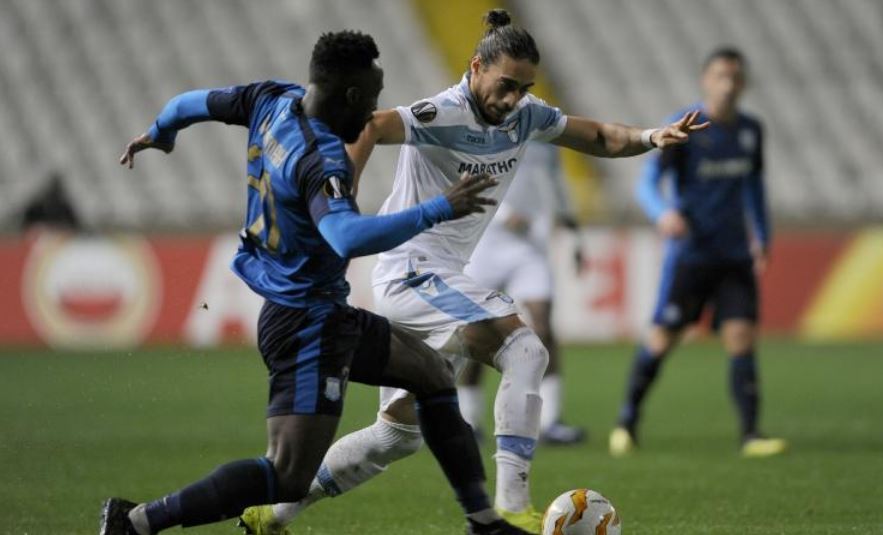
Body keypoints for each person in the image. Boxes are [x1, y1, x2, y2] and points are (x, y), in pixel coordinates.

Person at [244, 10, 707, 534]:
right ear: (476, 67)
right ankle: (511, 506)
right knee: (526, 351)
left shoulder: (526, 116)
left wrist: (651, 135)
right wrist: (341, 196)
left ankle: (273, 514)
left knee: (396, 436)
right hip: (413, 271)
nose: (512, 99)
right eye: (506, 85)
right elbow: (371, 123)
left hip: (433, 276)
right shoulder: (441, 112)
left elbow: (599, 135)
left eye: (523, 88)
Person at [99, 30, 532, 535]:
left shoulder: (270, 99)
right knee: (287, 475)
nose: (372, 113)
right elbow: (345, 237)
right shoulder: (322, 158)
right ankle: (137, 521)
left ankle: (484, 523)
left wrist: (162, 131)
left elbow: (189, 103)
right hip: (305, 325)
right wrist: (438, 208)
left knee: (434, 374)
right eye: (370, 99)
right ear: (350, 95)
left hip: (323, 311)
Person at [608, 47, 788, 458]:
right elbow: (647, 181)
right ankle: (626, 422)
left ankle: (751, 435)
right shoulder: (686, 126)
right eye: (720, 76)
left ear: (743, 84)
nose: (728, 84)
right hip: (690, 254)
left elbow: (754, 187)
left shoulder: (751, 131)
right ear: (705, 80)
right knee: (661, 339)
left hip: (734, 255)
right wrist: (663, 212)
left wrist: (762, 235)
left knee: (741, 337)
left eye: (735, 77)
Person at [460, 142, 585, 445]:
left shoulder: (545, 136)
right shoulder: (484, 134)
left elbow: (555, 180)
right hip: (485, 243)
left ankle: (551, 421)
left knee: (543, 326)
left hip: (530, 244)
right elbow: (463, 178)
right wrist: (504, 214)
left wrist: (574, 232)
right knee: (477, 331)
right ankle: (468, 420)